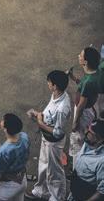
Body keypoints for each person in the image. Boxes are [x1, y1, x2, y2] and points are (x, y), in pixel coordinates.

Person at [27, 70, 71, 201]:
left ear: (55, 86)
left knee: (55, 171)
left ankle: (57, 197)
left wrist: (40, 123)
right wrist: (38, 114)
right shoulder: (56, 95)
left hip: (54, 143)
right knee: (43, 165)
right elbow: (49, 115)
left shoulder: (62, 108)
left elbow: (58, 132)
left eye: (49, 82)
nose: (48, 84)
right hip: (46, 138)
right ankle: (41, 191)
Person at [0, 112, 29, 201]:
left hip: (7, 188)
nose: (1, 120)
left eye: (3, 120)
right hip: (22, 180)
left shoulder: (3, 151)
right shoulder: (24, 136)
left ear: (6, 129)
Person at [70, 119, 104, 201]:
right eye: (87, 128)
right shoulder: (88, 143)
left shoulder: (102, 161)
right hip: (73, 195)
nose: (86, 132)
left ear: (99, 139)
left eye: (90, 132)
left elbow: (101, 192)